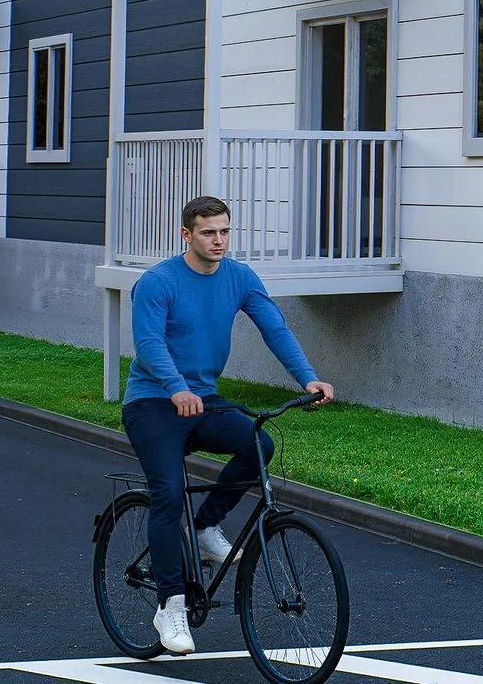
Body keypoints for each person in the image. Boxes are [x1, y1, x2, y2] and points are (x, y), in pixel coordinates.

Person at [125, 196, 335, 656]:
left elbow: (274, 329)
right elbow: (148, 343)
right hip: (152, 403)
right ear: (186, 234)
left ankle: (205, 528)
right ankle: (169, 606)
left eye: (224, 231)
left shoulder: (240, 277)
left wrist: (308, 377)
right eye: (207, 232)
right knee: (167, 494)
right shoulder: (158, 282)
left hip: (202, 401)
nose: (218, 240)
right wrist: (176, 388)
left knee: (258, 444)